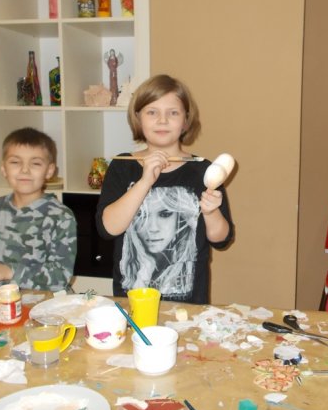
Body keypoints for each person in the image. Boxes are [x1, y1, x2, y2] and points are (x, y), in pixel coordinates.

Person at [96, 74, 234, 304]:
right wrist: (144, 182)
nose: (162, 121)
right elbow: (108, 229)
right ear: (138, 118)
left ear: (186, 121)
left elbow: (222, 239)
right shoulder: (122, 166)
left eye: (173, 113)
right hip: (132, 303)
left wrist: (211, 212)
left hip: (189, 307)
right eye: (152, 112)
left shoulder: (203, 170)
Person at [0, 127, 77, 292]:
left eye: (35, 163)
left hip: (48, 303)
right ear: (3, 169)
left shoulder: (61, 216)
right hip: (2, 300)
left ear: (49, 171)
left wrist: (10, 272)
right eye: (15, 162)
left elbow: (61, 277)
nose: (25, 170)